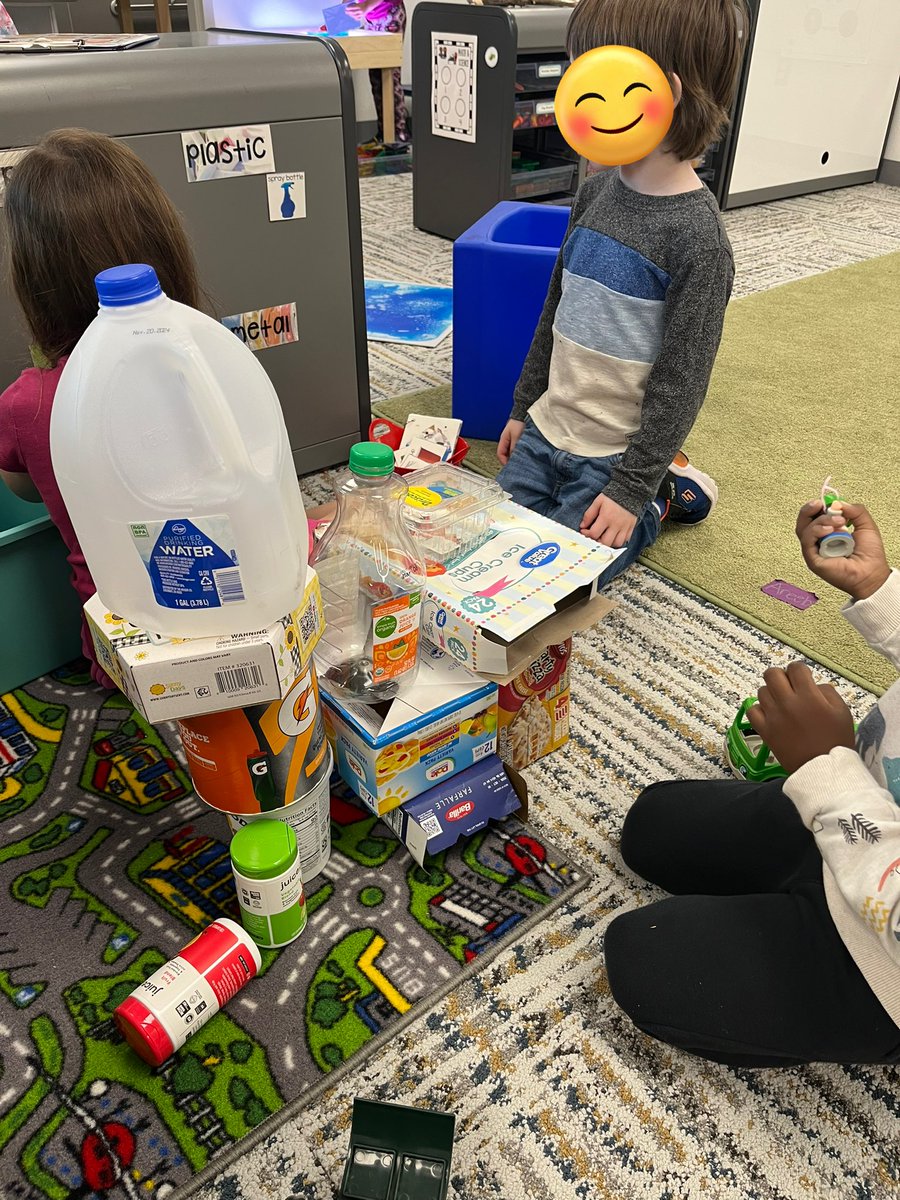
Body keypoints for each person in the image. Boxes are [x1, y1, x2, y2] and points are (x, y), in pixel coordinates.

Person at [605, 500, 900, 1067]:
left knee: (642, 958)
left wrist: (825, 770)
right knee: (650, 824)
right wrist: (878, 590)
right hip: (853, 819)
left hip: (879, 964)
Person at [496, 0, 747, 587]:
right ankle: (658, 478)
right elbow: (554, 312)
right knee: (492, 555)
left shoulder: (698, 242)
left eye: (597, 82)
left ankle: (662, 494)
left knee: (560, 585)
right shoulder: (594, 191)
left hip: (614, 458)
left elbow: (681, 380)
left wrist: (630, 489)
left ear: (668, 92)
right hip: (549, 428)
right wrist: (521, 408)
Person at [0, 129, 206, 687]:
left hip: (125, 652)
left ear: (32, 277)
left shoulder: (28, 402)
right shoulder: (206, 360)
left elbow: (22, 490)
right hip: (234, 617)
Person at [348, 0, 409, 145]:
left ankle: (398, 134)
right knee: (376, 78)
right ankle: (384, 133)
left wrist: (365, 6)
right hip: (372, 17)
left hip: (390, 14)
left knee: (390, 76)